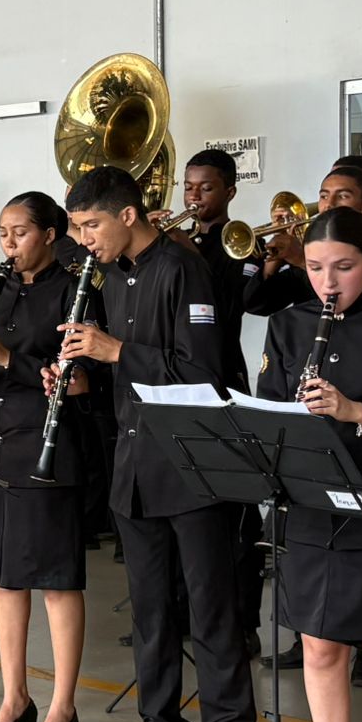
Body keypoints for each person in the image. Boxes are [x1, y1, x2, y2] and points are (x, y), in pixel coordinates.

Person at [63, 167, 263, 722]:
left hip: (195, 467)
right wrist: (78, 378)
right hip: (135, 465)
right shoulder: (112, 276)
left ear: (127, 215)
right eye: (76, 228)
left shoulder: (183, 270)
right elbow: (121, 375)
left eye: (91, 225)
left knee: (212, 613)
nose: (84, 239)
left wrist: (117, 352)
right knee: (151, 614)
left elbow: (202, 374)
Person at [0, 192, 87, 722]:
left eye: (20, 233)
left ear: (51, 234)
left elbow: (77, 383)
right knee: (5, 578)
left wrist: (9, 359)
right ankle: (15, 696)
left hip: (45, 447)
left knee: (55, 578)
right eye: (3, 233)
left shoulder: (75, 292)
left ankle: (62, 706)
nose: (8, 244)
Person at [256, 207, 362, 722]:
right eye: (317, 267)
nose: (329, 282)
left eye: (345, 268)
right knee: (321, 647)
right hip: (310, 503)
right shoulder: (289, 323)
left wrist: (354, 411)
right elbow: (267, 405)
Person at [149, 149, 264, 657]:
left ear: (230, 193)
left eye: (206, 188)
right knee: (177, 503)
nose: (193, 196)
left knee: (232, 511)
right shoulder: (174, 242)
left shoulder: (240, 245)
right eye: (189, 188)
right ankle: (177, 611)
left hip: (223, 382)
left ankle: (240, 620)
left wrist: (181, 250)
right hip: (173, 384)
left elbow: (232, 305)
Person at [243, 163, 362, 317]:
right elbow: (255, 304)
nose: (328, 204)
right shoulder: (308, 246)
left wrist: (301, 260)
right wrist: (276, 252)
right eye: (324, 196)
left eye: (343, 196)